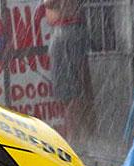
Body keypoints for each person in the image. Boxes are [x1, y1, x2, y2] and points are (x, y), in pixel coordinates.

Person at [43, 0, 96, 144]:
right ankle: (81, 136)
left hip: (68, 30)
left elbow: (49, 3)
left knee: (73, 89)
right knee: (69, 90)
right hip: (62, 29)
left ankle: (78, 138)